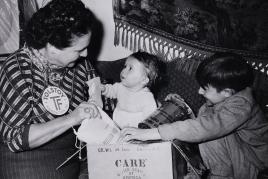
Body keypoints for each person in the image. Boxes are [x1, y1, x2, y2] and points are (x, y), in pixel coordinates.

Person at [119, 52, 268, 179]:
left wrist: (153, 133)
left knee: (207, 129)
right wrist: (179, 108)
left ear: (227, 92)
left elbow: (207, 127)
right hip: (237, 153)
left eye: (205, 89)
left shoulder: (241, 106)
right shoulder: (225, 98)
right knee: (200, 122)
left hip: (253, 162)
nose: (199, 92)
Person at [0, 0, 101, 178]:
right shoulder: (17, 70)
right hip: (28, 156)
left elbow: (96, 85)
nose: (86, 54)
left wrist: (97, 98)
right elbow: (15, 139)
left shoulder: (81, 65)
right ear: (52, 47)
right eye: (79, 49)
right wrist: (72, 118)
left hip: (72, 150)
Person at [101, 51, 160, 129]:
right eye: (125, 66)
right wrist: (104, 89)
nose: (123, 71)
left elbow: (151, 119)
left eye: (130, 68)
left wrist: (144, 131)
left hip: (136, 131)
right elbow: (111, 91)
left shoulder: (147, 97)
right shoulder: (120, 87)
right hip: (116, 126)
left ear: (144, 80)